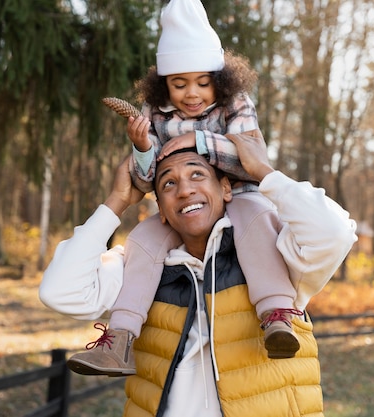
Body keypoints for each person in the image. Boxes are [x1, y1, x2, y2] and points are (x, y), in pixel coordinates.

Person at [40, 132, 357, 417]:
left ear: (225, 188)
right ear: (161, 210)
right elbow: (59, 292)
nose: (184, 190)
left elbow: (335, 232)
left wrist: (263, 172)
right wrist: (116, 202)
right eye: (168, 183)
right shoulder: (138, 269)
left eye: (196, 175)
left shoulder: (278, 257)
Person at [66, 0, 301, 376]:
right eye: (179, 84)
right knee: (143, 239)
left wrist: (200, 141)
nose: (192, 94)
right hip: (177, 204)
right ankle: (121, 339)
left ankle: (276, 317)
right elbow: (146, 182)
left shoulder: (237, 104)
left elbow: (251, 159)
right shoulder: (152, 113)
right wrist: (143, 149)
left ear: (219, 80)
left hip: (237, 194)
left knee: (258, 222)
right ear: (163, 84)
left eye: (202, 83)